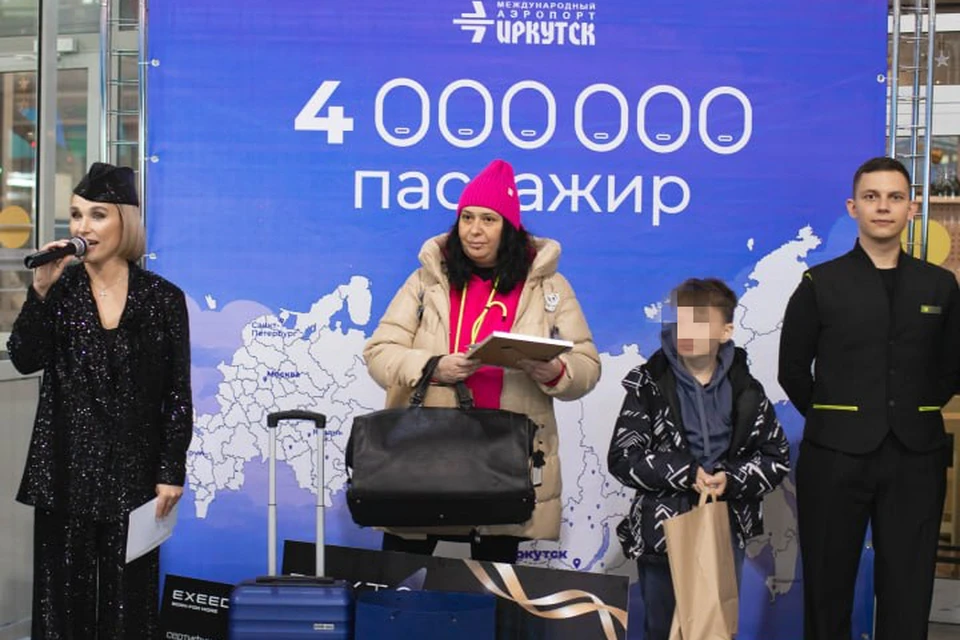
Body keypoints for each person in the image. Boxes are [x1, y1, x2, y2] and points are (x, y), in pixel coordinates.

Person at [363, 158, 601, 563]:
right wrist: (433, 366)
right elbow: (379, 352)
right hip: (427, 454)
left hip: (504, 459)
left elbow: (587, 365)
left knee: (493, 590)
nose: (474, 230)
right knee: (400, 581)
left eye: (488, 219)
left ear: (509, 227)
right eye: (467, 217)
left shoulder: (549, 286)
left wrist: (556, 371)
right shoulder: (425, 281)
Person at [7, 162, 193, 639]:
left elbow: (177, 391)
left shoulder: (163, 299)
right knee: (60, 606)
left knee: (128, 604)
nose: (83, 227)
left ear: (124, 222)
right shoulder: (60, 292)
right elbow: (25, 358)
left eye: (97, 215)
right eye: (76, 215)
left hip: (134, 476)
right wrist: (39, 291)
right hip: (64, 472)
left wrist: (171, 469)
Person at [779, 156, 960, 640]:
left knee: (909, 585)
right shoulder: (820, 283)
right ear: (853, 207)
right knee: (827, 583)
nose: (883, 207)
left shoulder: (940, 285)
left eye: (895, 197)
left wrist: (912, 410)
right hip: (834, 456)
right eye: (872, 197)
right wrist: (833, 417)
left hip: (916, 456)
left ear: (911, 209)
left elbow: (951, 368)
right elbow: (792, 370)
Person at [608, 278, 790, 640]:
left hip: (723, 529)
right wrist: (687, 473)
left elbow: (776, 458)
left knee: (713, 631)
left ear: (726, 331)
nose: (687, 331)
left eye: (701, 321)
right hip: (661, 533)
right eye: (682, 320)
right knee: (661, 630)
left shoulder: (748, 390)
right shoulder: (648, 384)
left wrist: (730, 479)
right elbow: (624, 457)